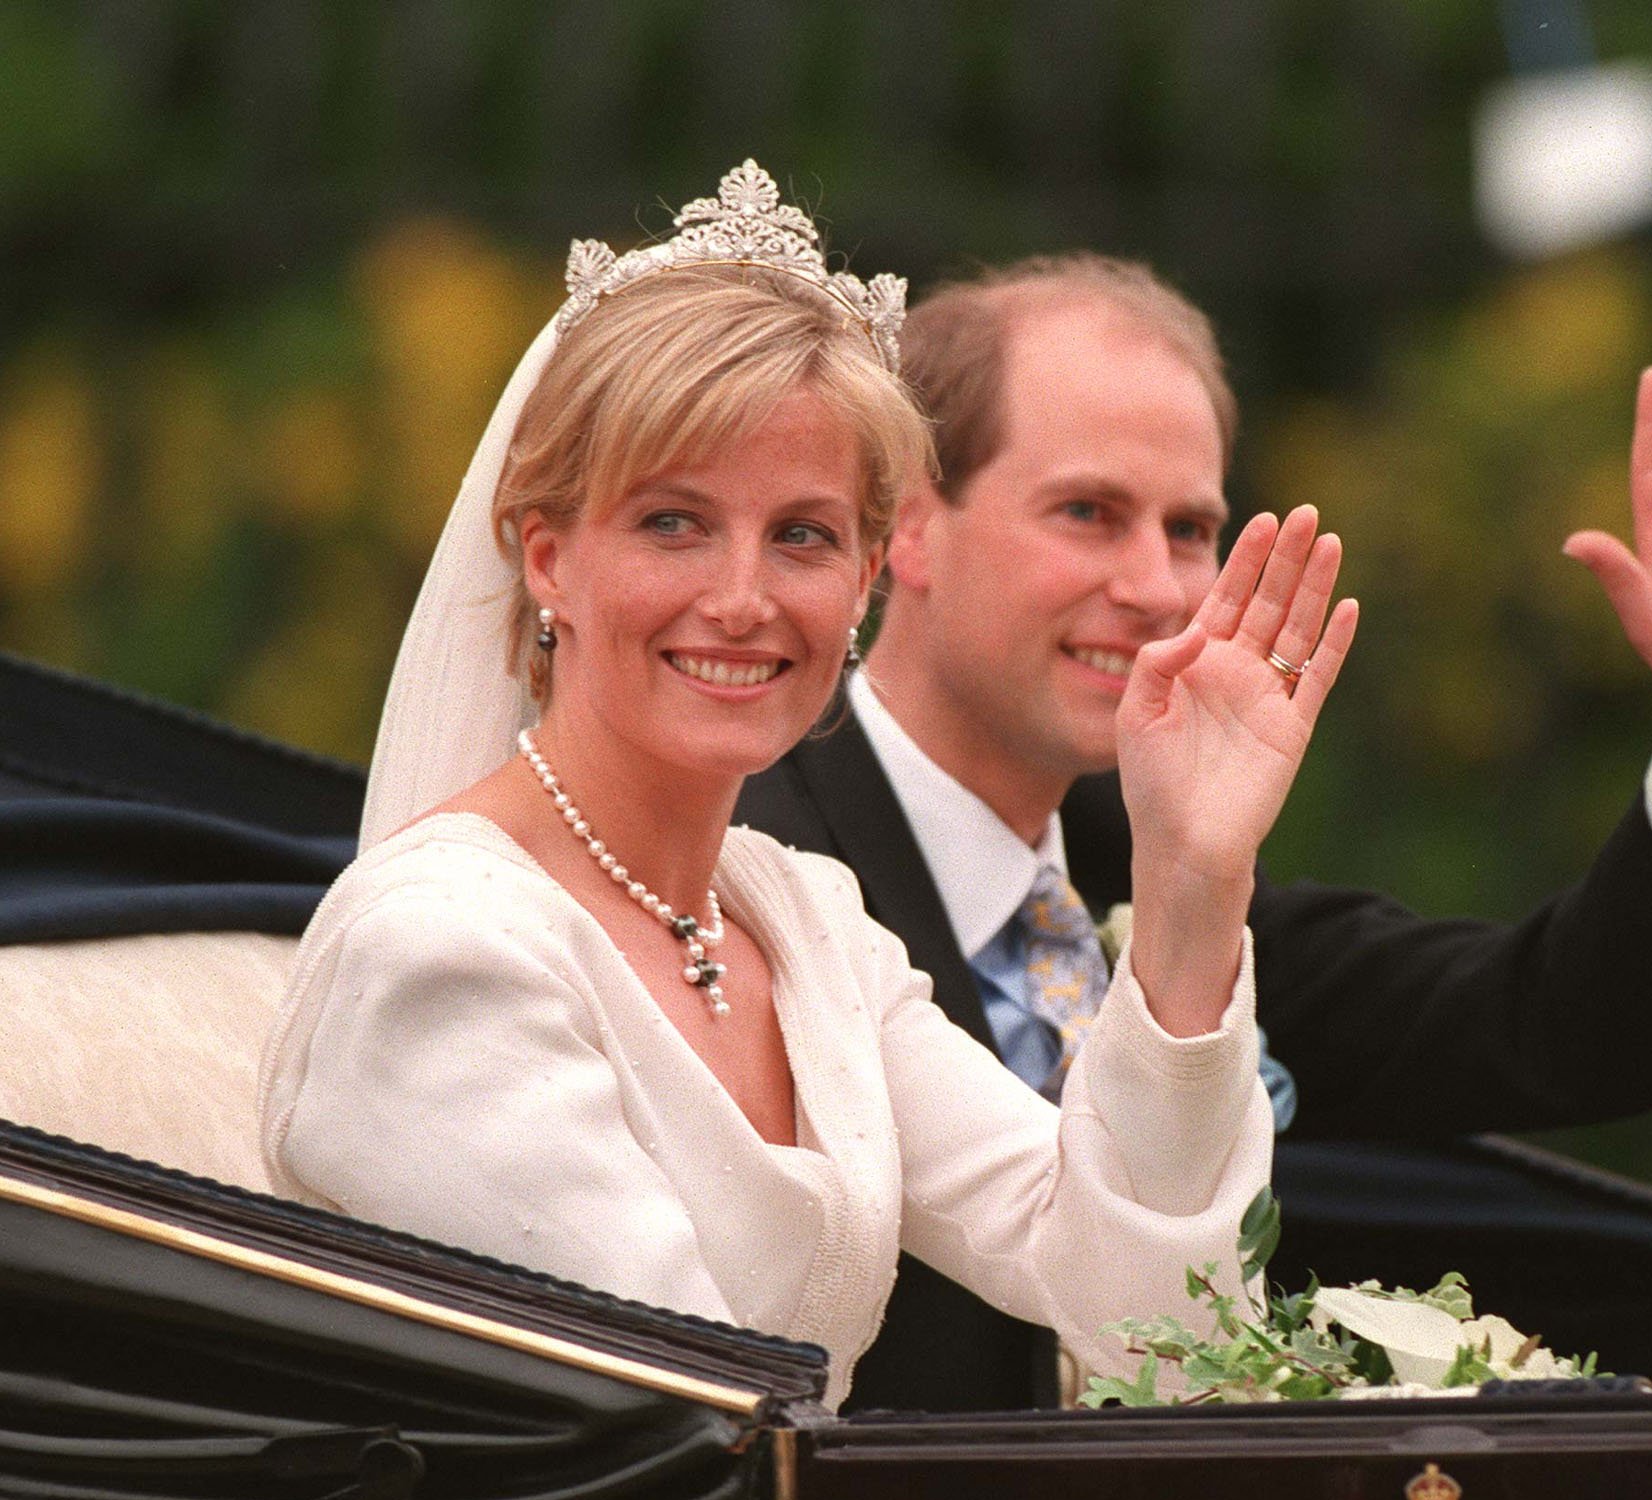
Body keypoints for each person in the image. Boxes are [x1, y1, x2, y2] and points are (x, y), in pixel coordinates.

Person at [257, 164, 1362, 1409]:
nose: (743, 597)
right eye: (674, 522)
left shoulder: (806, 926)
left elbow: (1142, 1306)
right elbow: (677, 1435)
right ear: (549, 558)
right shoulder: (443, 950)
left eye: (802, 534)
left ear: (863, 584)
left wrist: (1189, 871)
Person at [733, 254, 1652, 1410]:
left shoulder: (1159, 857)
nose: (1156, 584)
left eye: (1190, 527)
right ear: (909, 525)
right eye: (1088, 513)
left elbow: (1556, 1027)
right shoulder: (749, 863)